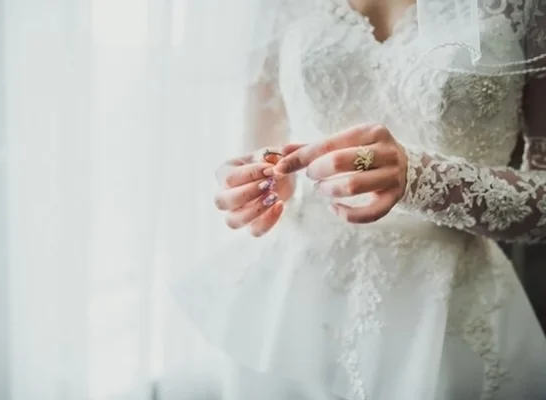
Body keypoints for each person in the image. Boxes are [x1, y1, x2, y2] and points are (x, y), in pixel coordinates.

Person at [171, 0, 546, 399]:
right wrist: (252, 183)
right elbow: (262, 147)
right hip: (295, 315)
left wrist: (421, 179)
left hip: (448, 316)